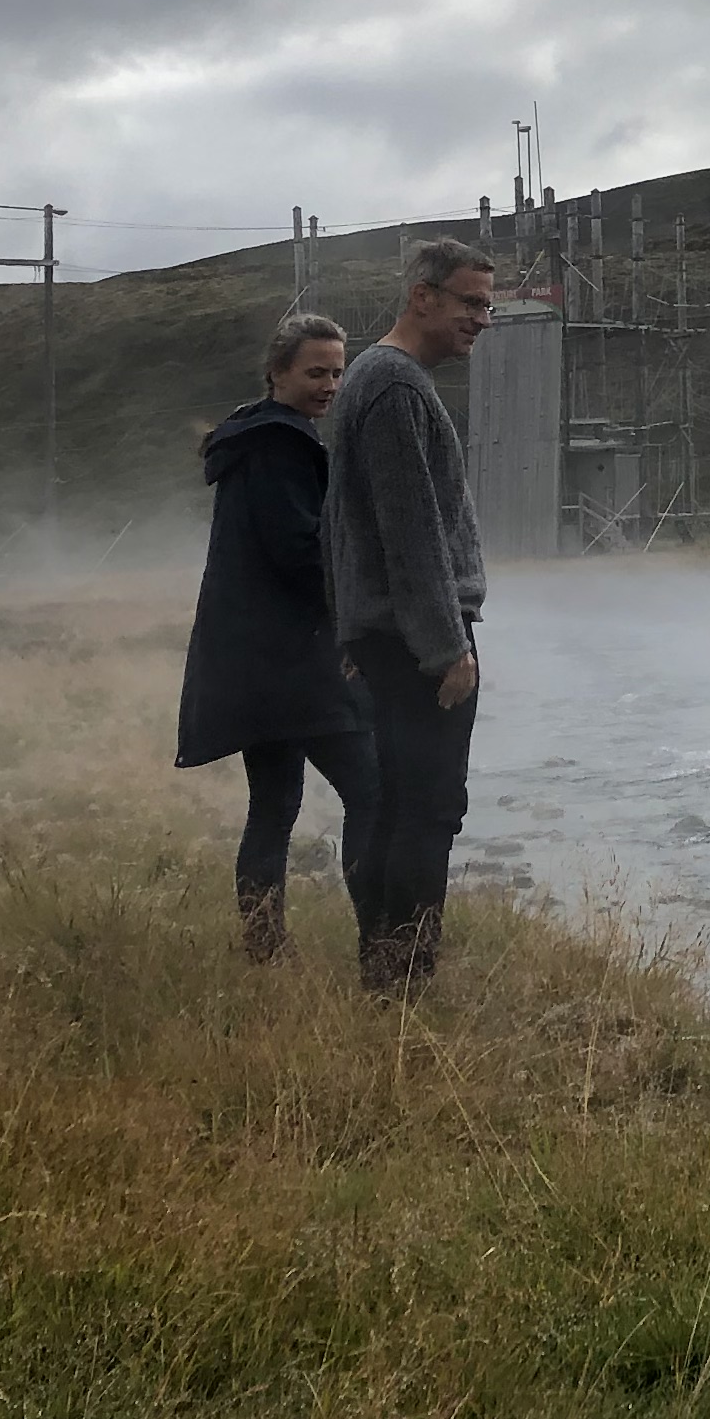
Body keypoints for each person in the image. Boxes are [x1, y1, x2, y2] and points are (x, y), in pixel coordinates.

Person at [322, 237, 498, 991]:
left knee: (396, 805)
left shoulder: (376, 377)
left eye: (487, 306)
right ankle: (403, 983)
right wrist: (446, 647)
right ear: (422, 297)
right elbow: (412, 532)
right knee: (426, 810)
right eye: (471, 303)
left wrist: (350, 626)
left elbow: (341, 523)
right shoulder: (394, 386)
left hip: (387, 636)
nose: (481, 319)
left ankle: (385, 972)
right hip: (414, 642)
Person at [174, 311, 377, 963]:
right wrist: (364, 606)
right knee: (373, 791)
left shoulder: (256, 437)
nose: (330, 386)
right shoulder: (280, 445)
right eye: (316, 372)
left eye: (338, 373)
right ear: (278, 372)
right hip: (292, 663)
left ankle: (265, 948)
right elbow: (301, 555)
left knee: (274, 805)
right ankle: (386, 940)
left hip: (253, 664)